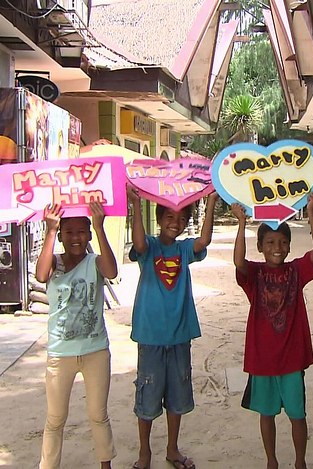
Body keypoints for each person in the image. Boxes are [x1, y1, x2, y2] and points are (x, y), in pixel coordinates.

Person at [231, 192, 313, 469]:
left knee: (298, 415)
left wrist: (311, 211)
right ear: (260, 246)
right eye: (270, 242)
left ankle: (300, 462)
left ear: (289, 246)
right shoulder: (255, 274)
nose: (278, 247)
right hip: (263, 360)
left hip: (292, 359)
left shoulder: (297, 270)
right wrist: (241, 223)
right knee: (267, 413)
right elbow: (238, 262)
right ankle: (271, 461)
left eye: (283, 242)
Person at [128, 188, 218, 469]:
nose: (175, 223)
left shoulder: (183, 249)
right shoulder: (149, 247)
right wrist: (136, 204)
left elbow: (203, 241)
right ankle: (145, 453)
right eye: (169, 217)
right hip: (151, 336)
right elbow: (138, 243)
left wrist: (211, 201)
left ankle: (172, 449)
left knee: (177, 397)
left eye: (181, 219)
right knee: (148, 395)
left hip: (179, 335)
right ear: (158, 219)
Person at [35, 201, 119, 469]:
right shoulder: (54, 262)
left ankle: (105, 464)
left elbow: (112, 271)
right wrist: (50, 230)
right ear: (61, 235)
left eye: (82, 232)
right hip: (60, 354)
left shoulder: (95, 262)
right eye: (68, 232)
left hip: (95, 352)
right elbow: (41, 275)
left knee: (98, 415)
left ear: (89, 235)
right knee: (55, 418)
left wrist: (100, 226)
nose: (75, 238)